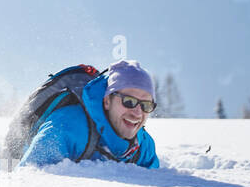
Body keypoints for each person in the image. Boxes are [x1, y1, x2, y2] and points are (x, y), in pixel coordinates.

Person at [19, 59, 160, 168]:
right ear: (107, 101)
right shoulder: (66, 128)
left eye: (146, 105)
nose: (137, 113)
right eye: (129, 101)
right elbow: (30, 179)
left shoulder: (144, 147)